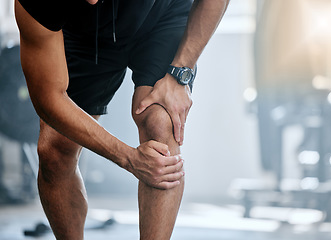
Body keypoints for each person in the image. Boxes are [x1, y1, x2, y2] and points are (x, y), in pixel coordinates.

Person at [14, 0, 229, 239]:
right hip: (86, 33)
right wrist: (129, 158)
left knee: (161, 120)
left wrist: (181, 72)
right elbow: (48, 99)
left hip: (162, 14)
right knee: (54, 150)